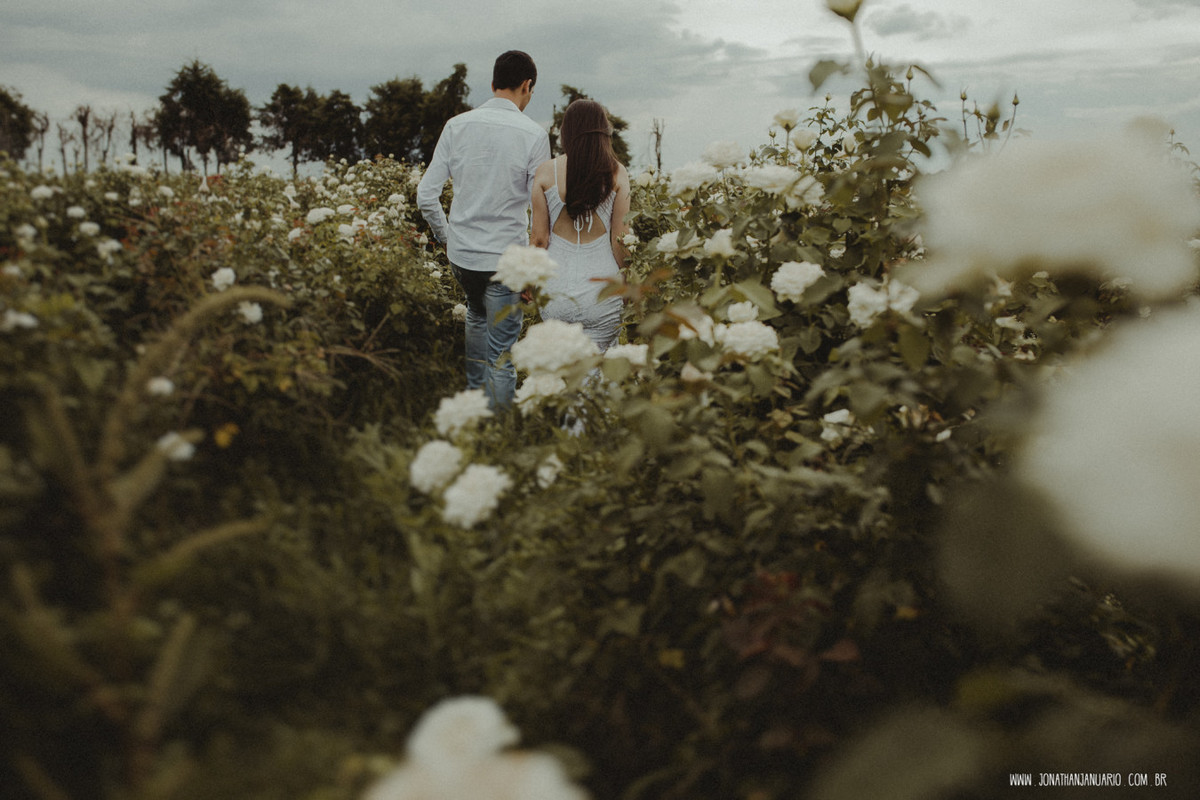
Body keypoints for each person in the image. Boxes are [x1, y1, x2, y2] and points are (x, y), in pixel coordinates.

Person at [417, 50, 551, 410]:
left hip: (463, 257)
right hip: (505, 262)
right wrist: (533, 271)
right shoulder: (535, 135)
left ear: (492, 84)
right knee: (502, 356)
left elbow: (426, 196)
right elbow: (541, 211)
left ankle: (475, 413)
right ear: (527, 86)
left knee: (476, 315)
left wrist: (447, 240)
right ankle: (500, 434)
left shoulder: (456, 126)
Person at [530, 99, 631, 353]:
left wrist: (530, 284)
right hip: (603, 291)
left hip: (555, 291)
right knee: (601, 373)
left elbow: (539, 240)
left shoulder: (545, 172)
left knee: (559, 369)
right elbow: (621, 242)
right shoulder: (617, 173)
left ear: (567, 132)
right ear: (603, 132)